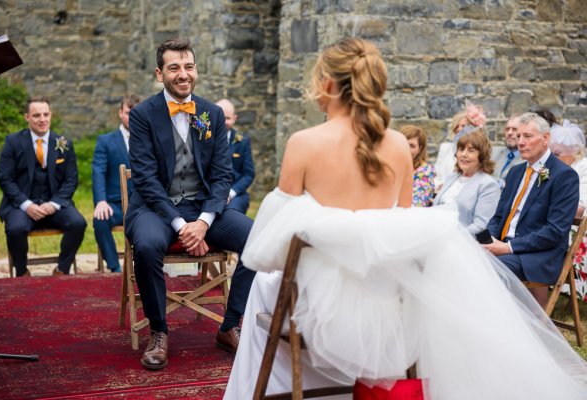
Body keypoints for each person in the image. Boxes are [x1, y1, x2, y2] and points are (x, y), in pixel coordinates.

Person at [224, 38, 587, 400]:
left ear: (330, 84)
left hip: (316, 308)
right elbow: (401, 224)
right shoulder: (398, 145)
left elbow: (268, 248)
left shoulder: (303, 143)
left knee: (263, 286)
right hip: (388, 305)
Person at [125, 38, 255, 371]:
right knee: (149, 245)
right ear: (159, 73)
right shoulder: (142, 115)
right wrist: (181, 226)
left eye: (188, 66)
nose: (183, 74)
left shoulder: (211, 113)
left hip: (202, 208)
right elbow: (145, 180)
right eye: (174, 68)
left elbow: (223, 174)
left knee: (259, 239)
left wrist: (204, 222)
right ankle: (159, 332)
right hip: (154, 208)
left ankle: (230, 325)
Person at [484, 113, 580, 308]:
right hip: (504, 246)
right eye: (519, 136)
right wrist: (490, 240)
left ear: (546, 138)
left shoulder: (565, 176)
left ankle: (501, 326)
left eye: (527, 136)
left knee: (488, 270)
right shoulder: (515, 172)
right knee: (464, 258)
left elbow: (555, 231)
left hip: (536, 255)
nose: (520, 142)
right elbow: (499, 217)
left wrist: (508, 248)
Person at [0, 97, 86, 277]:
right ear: (27, 117)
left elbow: (71, 180)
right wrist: (27, 205)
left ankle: (62, 269)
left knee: (78, 223)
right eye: (36, 115)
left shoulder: (63, 143)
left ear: (51, 115)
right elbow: (5, 179)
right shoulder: (13, 142)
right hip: (22, 205)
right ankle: (22, 272)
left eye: (46, 114)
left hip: (53, 204)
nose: (42, 119)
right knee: (14, 229)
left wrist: (53, 204)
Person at [92, 94, 140, 273]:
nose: (132, 117)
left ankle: (149, 266)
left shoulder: (149, 140)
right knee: (100, 220)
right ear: (120, 113)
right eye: (128, 112)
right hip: (115, 204)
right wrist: (101, 201)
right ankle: (115, 268)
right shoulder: (106, 141)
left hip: (142, 205)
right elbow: (98, 171)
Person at [433, 130, 499, 234]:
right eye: (461, 149)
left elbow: (481, 226)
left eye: (471, 150)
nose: (464, 154)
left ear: (481, 156)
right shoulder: (451, 178)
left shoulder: (488, 185)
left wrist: (452, 237)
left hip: (461, 240)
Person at [549, 120, 587, 302]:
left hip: (579, 227)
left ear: (573, 151)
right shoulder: (555, 168)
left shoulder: (584, 168)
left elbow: (580, 209)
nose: (552, 158)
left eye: (557, 154)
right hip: (559, 220)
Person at [215, 98, 255, 214]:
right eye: (220, 117)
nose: (223, 121)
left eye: (227, 118)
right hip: (211, 192)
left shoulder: (243, 141)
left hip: (235, 193)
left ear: (234, 118)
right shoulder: (204, 139)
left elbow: (248, 174)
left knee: (232, 213)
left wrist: (231, 193)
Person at [433, 103, 486, 188]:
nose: (459, 129)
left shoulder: (479, 151)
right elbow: (436, 173)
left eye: (463, 126)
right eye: (457, 126)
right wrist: (439, 185)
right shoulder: (445, 148)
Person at [401, 125, 435, 207]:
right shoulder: (390, 165)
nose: (406, 148)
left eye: (412, 146)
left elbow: (417, 204)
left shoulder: (425, 171)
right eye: (403, 143)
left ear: (420, 149)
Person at [492, 115, 523, 187]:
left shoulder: (527, 160)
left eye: (514, 129)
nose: (509, 133)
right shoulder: (493, 152)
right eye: (507, 129)